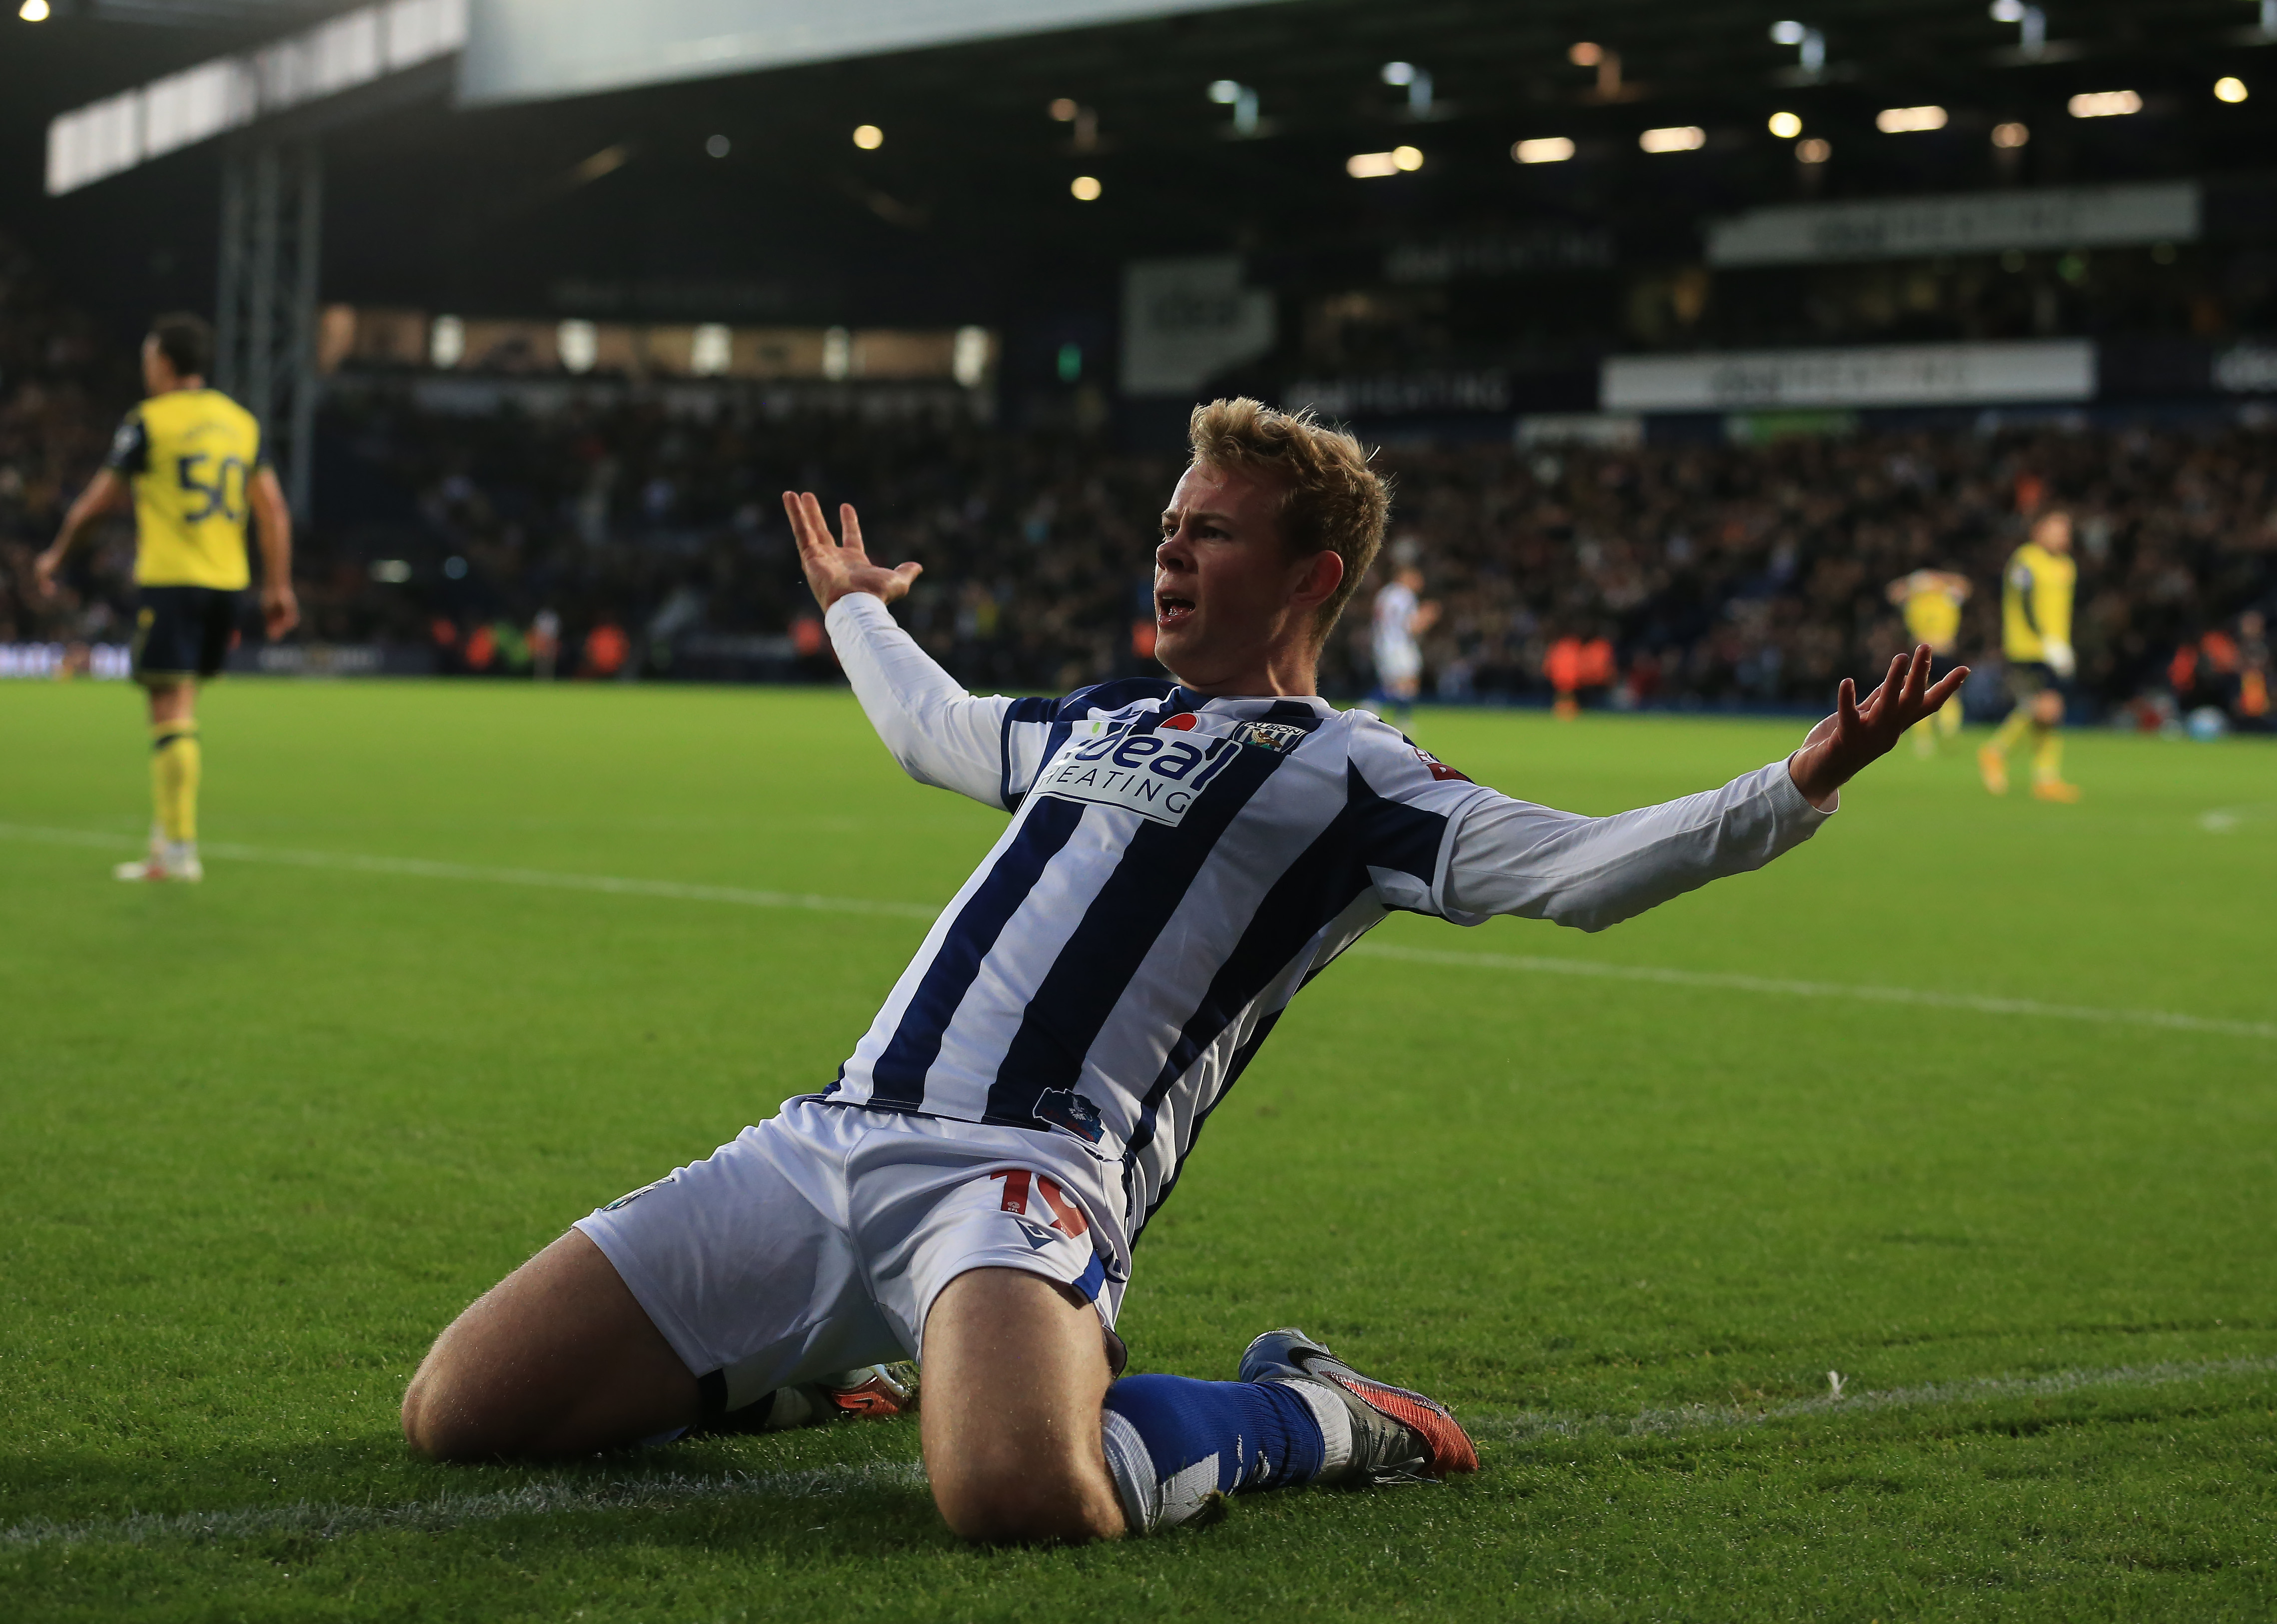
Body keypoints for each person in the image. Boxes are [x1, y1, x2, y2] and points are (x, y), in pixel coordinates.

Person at [398, 399, 1965, 1544]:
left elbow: (1582, 872)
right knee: (458, 1413)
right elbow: (932, 731)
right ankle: (810, 1371)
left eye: (1208, 530)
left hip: (1022, 1184)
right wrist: (860, 619)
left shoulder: (1359, 780)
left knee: (1023, 1501)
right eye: (1169, 522)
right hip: (827, 1142)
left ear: (1312, 577)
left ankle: (1319, 1414)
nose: (1170, 546)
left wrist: (1798, 780)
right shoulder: (1095, 721)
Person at [33, 313, 297, 881]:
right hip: (228, 582)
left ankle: (177, 849)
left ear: (165, 363)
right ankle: (168, 840)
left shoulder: (150, 422)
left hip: (174, 580)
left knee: (167, 710)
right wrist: (278, 585)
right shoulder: (240, 423)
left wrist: (56, 555)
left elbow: (98, 503)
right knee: (186, 707)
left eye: (150, 358)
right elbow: (272, 509)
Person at [1978, 509, 2080, 803]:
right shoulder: (2025, 561)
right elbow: (2024, 603)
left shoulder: (2066, 566)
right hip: (2027, 647)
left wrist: (2062, 645)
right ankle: (1997, 752)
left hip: (2056, 648)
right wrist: (2046, 640)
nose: (2063, 536)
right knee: (2046, 707)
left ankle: (2045, 779)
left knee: (2049, 712)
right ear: (2039, 531)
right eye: (2056, 529)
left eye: (2066, 530)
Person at [1885, 568, 1972, 756]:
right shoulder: (1922, 597)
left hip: (1935, 651)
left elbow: (1965, 586)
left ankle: (1940, 735)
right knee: (1931, 693)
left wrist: (1934, 579)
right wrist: (1916, 582)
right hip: (1929, 651)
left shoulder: (1944, 595)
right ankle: (1937, 735)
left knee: (1931, 693)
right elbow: (1892, 593)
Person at [1370, 553, 1438, 725]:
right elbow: (1412, 627)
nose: (1419, 581)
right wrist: (1428, 615)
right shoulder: (1404, 595)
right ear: (1405, 577)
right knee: (1403, 683)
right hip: (1398, 644)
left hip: (1383, 642)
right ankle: (1374, 708)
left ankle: (1393, 714)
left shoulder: (1385, 593)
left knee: (1399, 683)